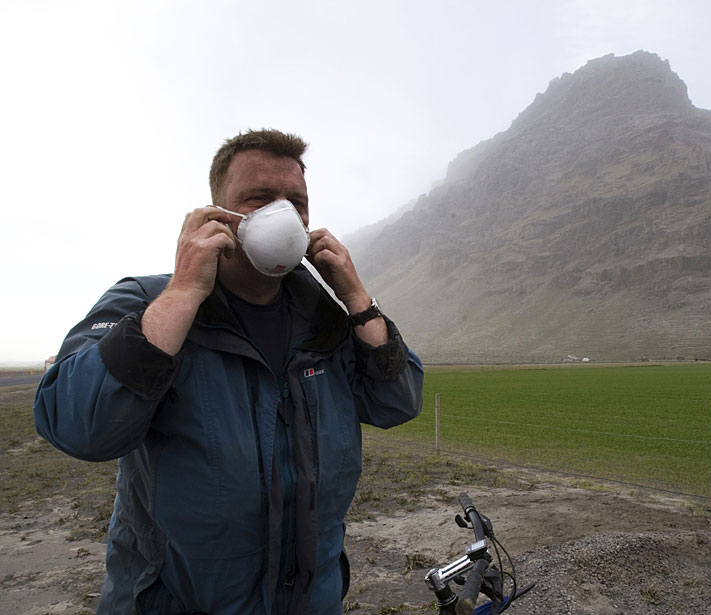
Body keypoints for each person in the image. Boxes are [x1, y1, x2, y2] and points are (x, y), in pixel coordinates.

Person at [34, 129, 424, 614]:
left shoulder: (327, 321)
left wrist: (357, 299)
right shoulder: (144, 302)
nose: (283, 214)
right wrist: (182, 293)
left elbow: (398, 402)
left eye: (296, 203)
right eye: (259, 198)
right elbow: (79, 428)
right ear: (217, 214)